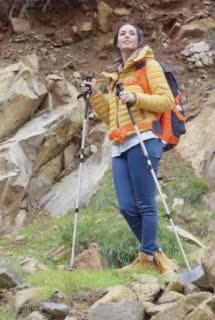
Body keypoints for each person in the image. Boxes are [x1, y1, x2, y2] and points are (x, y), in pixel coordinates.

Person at [81, 22, 176, 276]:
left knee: (145, 204)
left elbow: (166, 101)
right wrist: (94, 95)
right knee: (126, 206)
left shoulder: (149, 66)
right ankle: (156, 255)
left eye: (131, 32)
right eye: (122, 32)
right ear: (116, 40)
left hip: (145, 138)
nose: (126, 35)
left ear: (138, 40)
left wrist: (137, 98)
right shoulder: (113, 78)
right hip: (120, 144)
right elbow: (110, 116)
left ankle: (146, 257)